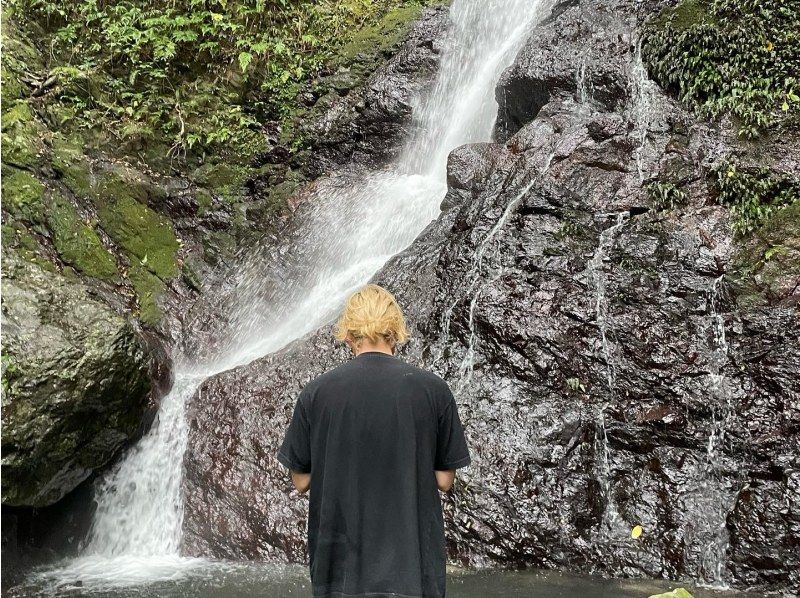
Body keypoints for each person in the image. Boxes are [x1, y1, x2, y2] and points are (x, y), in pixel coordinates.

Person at [277, 283, 472, 598]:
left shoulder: (317, 393)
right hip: (412, 573)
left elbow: (300, 481)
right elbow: (445, 480)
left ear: (347, 333)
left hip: (338, 573)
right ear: (395, 330)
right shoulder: (433, 391)